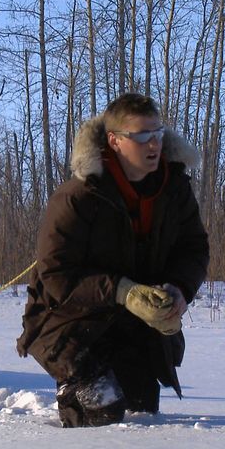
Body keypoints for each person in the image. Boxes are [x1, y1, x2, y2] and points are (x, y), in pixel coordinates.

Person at [17, 93, 209, 427]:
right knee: (102, 414)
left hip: (136, 328)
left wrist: (179, 289)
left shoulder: (174, 188)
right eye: (142, 136)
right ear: (115, 141)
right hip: (72, 325)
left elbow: (194, 248)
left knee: (143, 414)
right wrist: (124, 292)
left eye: (158, 133)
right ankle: (73, 391)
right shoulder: (78, 196)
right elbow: (56, 274)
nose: (154, 144)